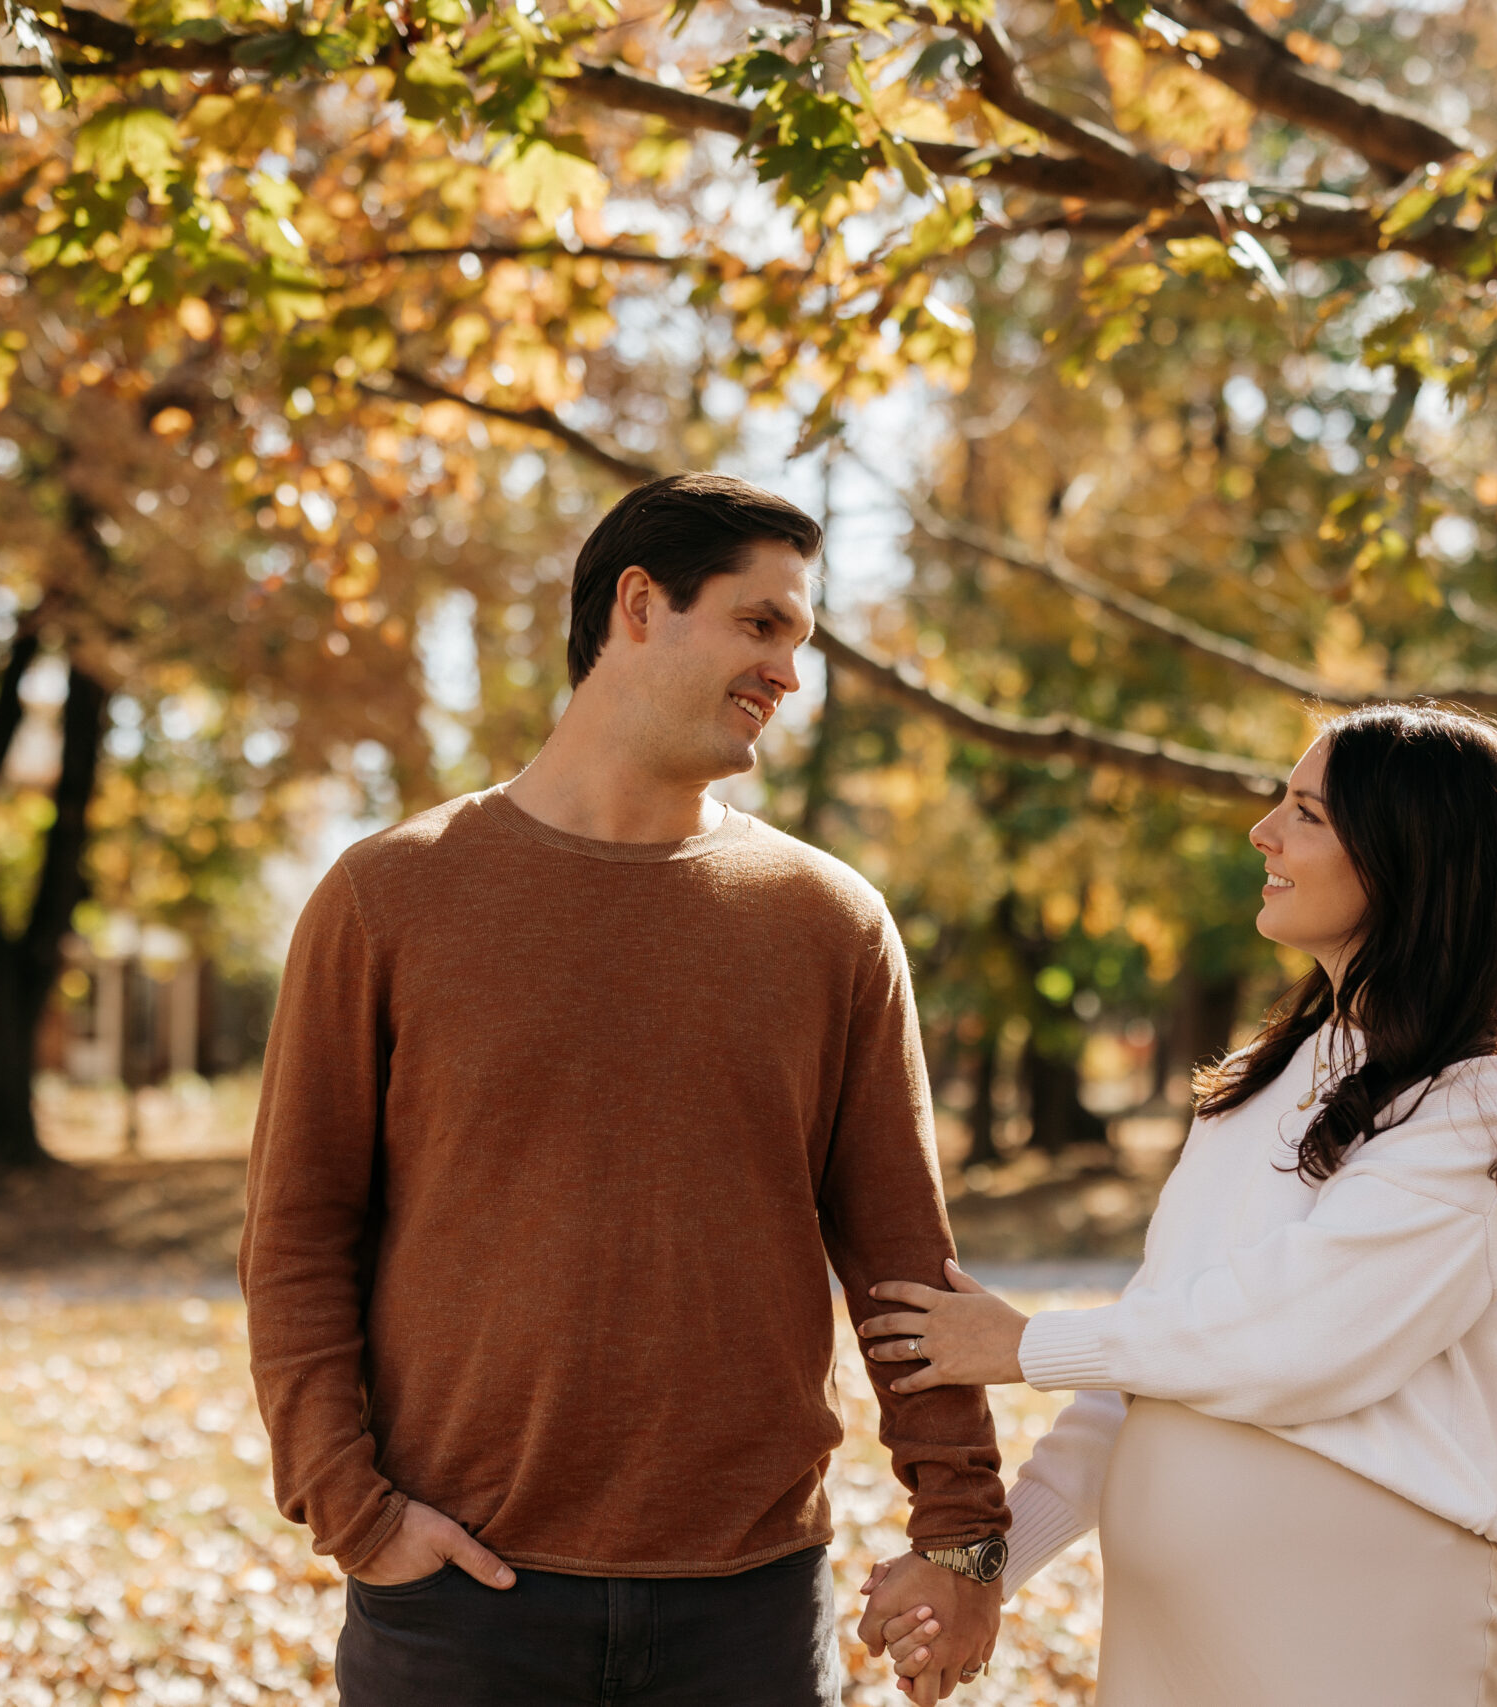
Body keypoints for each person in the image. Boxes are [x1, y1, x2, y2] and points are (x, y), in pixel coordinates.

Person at [238, 472, 1009, 1707]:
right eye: (761, 626)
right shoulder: (387, 896)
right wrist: (356, 1515)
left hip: (750, 1608)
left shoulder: (830, 923)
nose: (788, 673)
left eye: (800, 639)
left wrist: (962, 1526)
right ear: (639, 606)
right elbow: (297, 1233)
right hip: (459, 1605)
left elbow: (902, 1261)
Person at [854, 703, 1497, 1706]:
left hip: (1376, 1639)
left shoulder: (1485, 1097)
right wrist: (985, 1567)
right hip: (1180, 1653)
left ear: (1406, 855)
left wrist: (1025, 1345)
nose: (1263, 832)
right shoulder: (1264, 1075)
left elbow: (1300, 1336)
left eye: (1306, 813)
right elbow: (1154, 1355)